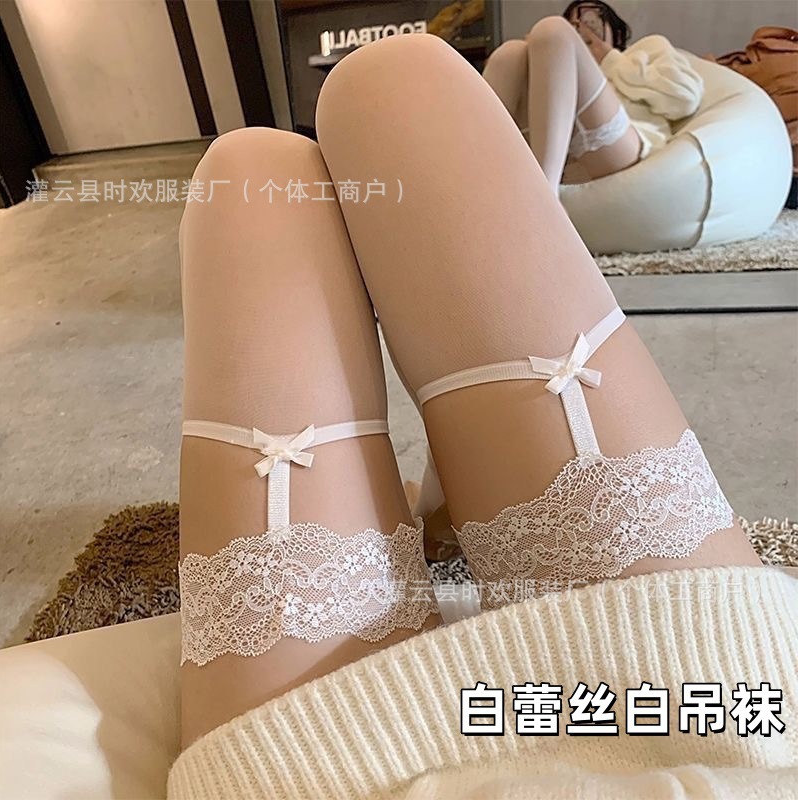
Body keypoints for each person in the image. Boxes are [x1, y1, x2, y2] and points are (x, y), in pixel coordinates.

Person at [169, 33, 796, 800]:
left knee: (258, 174)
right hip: (710, 709)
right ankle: (450, 485)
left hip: (314, 765)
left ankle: (443, 488)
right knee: (372, 98)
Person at [482, 2, 705, 188]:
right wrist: (537, 59)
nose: (583, 27)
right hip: (553, 147)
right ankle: (476, 186)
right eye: (575, 25)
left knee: (551, 29)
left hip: (624, 146)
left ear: (616, 31)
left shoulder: (647, 48)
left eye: (593, 20)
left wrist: (610, 59)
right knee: (510, 53)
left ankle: (545, 199)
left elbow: (684, 98)